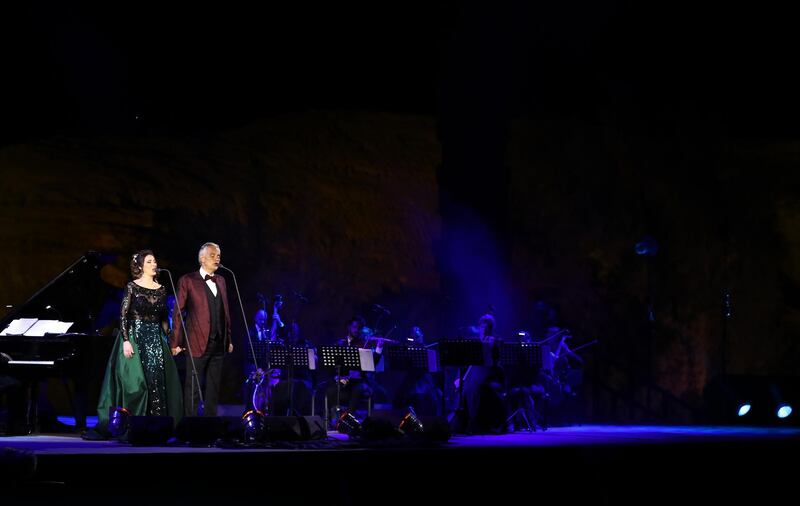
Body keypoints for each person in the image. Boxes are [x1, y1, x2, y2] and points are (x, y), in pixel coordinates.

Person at [92, 250, 183, 436]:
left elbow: (164, 318)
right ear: (140, 266)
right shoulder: (132, 287)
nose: (154, 264)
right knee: (136, 383)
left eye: (155, 261)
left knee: (158, 380)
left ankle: (158, 424)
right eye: (149, 261)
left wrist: (171, 340)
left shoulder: (162, 289)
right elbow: (123, 316)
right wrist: (126, 340)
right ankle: (132, 424)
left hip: (156, 339)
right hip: (135, 336)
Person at [171, 242, 233, 417]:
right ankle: (191, 425)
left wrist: (228, 339)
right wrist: (176, 342)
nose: (217, 258)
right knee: (193, 387)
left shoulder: (221, 280)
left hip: (218, 342)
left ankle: (210, 426)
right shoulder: (188, 280)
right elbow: (178, 313)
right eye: (213, 255)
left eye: (219, 255)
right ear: (202, 259)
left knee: (213, 387)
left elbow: (225, 311)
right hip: (196, 342)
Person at [324, 316, 385, 423]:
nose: (356, 330)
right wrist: (336, 376)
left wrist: (378, 349)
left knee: (357, 389)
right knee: (330, 390)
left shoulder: (362, 344)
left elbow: (372, 362)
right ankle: (334, 420)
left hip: (359, 381)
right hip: (344, 379)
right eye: (354, 327)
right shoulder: (340, 343)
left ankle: (348, 420)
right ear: (349, 327)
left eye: (358, 327)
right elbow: (333, 364)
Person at [459, 313, 506, 434]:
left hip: (492, 373)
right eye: (481, 326)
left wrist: (485, 343)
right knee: (465, 386)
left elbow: (493, 361)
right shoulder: (476, 341)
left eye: (485, 326)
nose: (482, 329)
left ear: (490, 328)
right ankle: (465, 420)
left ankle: (474, 422)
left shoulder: (495, 340)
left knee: (474, 388)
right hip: (478, 372)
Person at [393, 326, 442, 416]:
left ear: (422, 335)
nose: (417, 337)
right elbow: (402, 366)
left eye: (419, 335)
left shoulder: (429, 350)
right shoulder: (409, 350)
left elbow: (435, 369)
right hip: (412, 379)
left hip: (425, 379)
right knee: (402, 397)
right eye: (414, 336)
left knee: (432, 397)